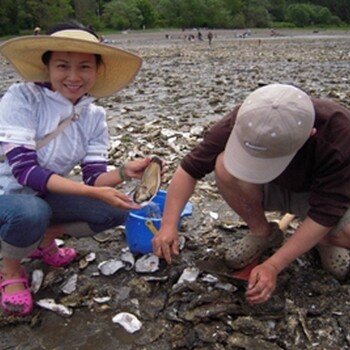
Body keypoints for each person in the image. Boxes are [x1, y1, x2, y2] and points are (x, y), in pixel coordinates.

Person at [0, 20, 151, 317]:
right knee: (31, 212)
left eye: (84, 67)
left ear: (97, 70)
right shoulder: (22, 97)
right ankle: (10, 269)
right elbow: (26, 173)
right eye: (62, 66)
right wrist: (88, 191)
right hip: (8, 195)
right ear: (48, 67)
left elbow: (94, 177)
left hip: (44, 195)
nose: (73, 76)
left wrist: (123, 173)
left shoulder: (93, 115)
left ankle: (41, 240)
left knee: (120, 209)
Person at [153, 83, 350, 305]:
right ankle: (262, 232)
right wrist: (168, 225)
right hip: (274, 184)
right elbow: (189, 169)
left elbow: (326, 212)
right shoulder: (251, 117)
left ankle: (325, 241)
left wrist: (274, 265)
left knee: (345, 234)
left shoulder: (339, 134)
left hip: (327, 193)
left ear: (310, 135)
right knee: (224, 167)